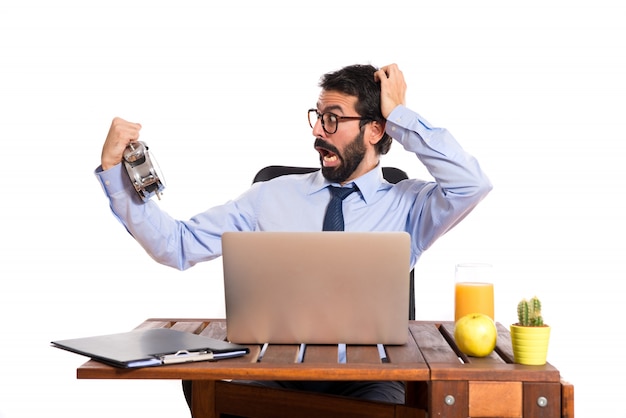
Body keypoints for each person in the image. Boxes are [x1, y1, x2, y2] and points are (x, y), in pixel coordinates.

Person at [95, 63, 492, 411]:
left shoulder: (412, 205)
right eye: (317, 117)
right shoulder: (270, 195)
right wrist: (116, 172)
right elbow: (176, 245)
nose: (318, 131)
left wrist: (401, 115)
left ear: (375, 130)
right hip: (273, 372)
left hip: (371, 380)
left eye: (333, 119)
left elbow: (471, 184)